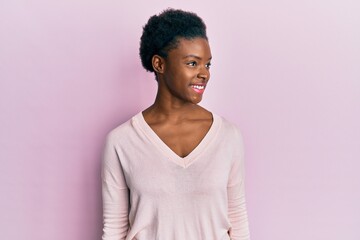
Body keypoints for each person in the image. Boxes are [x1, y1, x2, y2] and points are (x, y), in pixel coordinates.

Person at [101, 8, 250, 240]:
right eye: (192, 63)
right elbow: (114, 230)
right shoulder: (121, 141)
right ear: (159, 64)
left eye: (207, 65)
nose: (204, 74)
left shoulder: (228, 136)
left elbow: (238, 222)